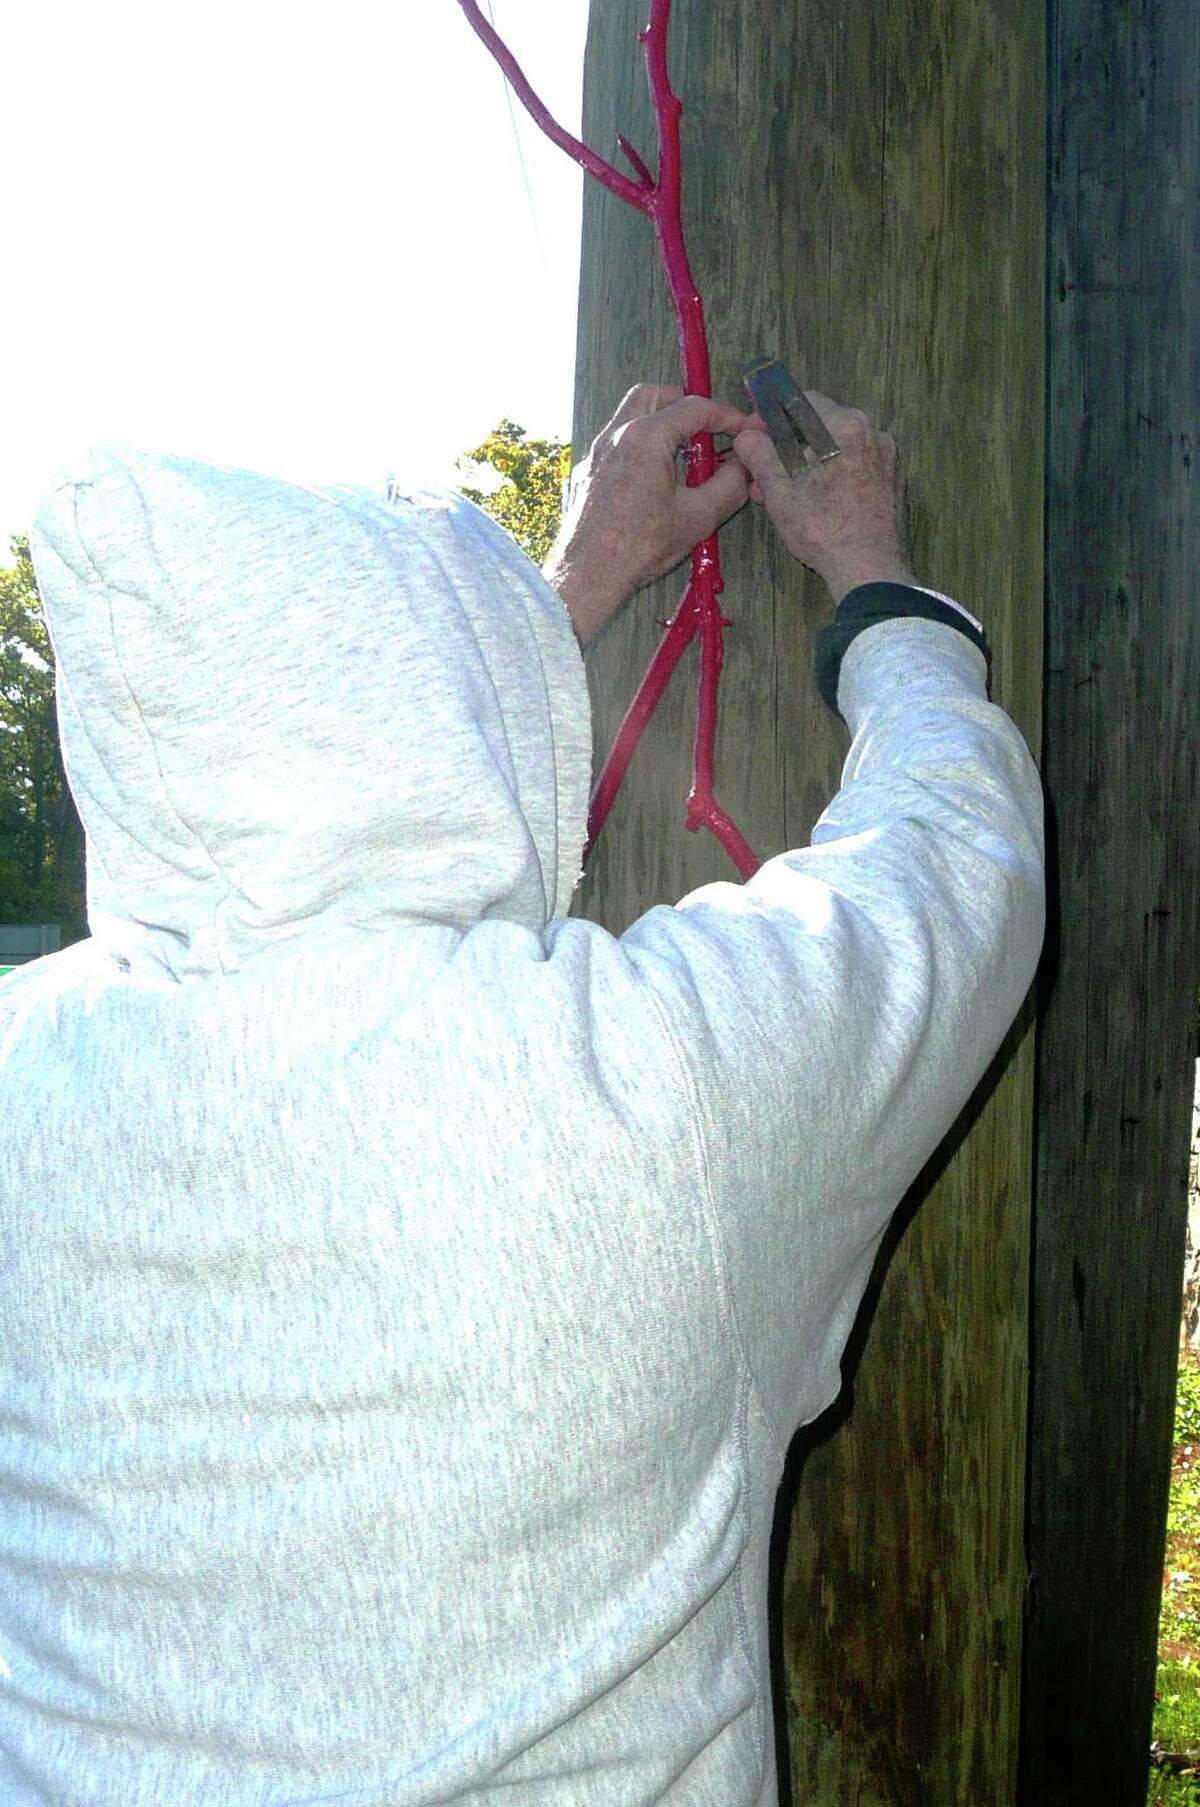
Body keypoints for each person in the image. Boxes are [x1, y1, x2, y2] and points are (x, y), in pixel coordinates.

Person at [0, 381, 1044, 1807]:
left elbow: (307, 798)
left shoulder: (26, 1075)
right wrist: (874, 574)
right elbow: (950, 862)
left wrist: (579, 579)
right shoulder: (648, 1089)